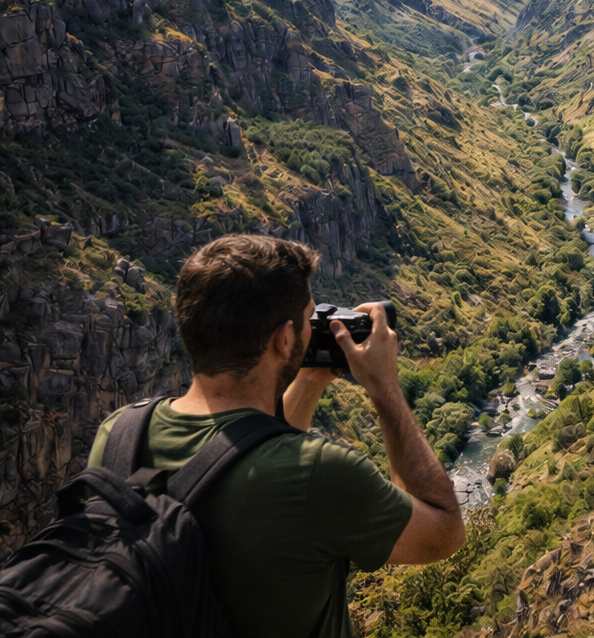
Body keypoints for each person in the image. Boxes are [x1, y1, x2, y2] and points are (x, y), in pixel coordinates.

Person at [88, 236, 465, 638]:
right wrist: (384, 387)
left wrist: (309, 377)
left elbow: (251, 447)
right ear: (284, 339)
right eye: (308, 320)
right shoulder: (319, 474)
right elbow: (443, 531)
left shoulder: (118, 435)